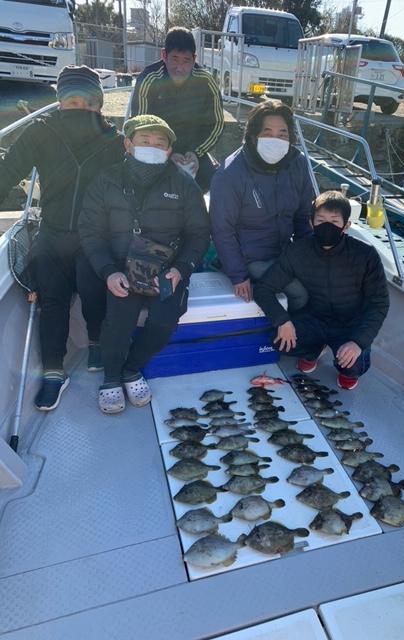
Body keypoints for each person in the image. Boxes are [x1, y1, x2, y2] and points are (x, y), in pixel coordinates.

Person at [0, 65, 125, 411]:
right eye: (72, 101)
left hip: (95, 235)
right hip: (52, 230)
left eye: (88, 102)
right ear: (59, 102)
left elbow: (136, 185)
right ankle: (54, 370)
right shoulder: (40, 131)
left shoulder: (115, 140)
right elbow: (7, 174)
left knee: (92, 283)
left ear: (99, 104)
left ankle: (97, 340)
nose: (80, 108)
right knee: (52, 298)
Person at [78, 115, 210, 414]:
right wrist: (108, 272)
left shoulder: (184, 183)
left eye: (160, 143)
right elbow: (90, 231)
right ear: (128, 144)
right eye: (144, 141)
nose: (152, 146)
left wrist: (181, 268)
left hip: (167, 270)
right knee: (118, 322)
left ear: (169, 150)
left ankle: (132, 369)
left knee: (164, 320)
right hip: (121, 267)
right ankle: (111, 377)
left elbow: (199, 233)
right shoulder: (105, 180)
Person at [253, 191, 390, 390]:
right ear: (311, 223)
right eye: (320, 220)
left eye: (334, 221)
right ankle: (314, 350)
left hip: (350, 323)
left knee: (354, 365)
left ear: (346, 226)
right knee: (279, 341)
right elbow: (264, 289)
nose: (327, 226)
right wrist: (282, 320)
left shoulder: (365, 254)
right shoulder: (297, 251)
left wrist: (358, 342)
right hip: (315, 317)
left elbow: (379, 303)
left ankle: (348, 368)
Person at [210, 99, 313, 310]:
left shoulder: (298, 164)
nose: (275, 139)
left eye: (282, 134)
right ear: (252, 136)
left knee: (324, 283)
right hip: (249, 258)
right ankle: (290, 330)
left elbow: (303, 218)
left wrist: (314, 258)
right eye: (267, 133)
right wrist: (238, 275)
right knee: (300, 293)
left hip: (284, 252)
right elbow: (222, 229)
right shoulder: (231, 173)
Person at [131, 26, 224, 192]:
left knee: (217, 182)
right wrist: (165, 153)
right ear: (164, 55)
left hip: (194, 150)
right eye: (174, 59)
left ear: (194, 59)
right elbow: (139, 125)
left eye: (186, 61)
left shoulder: (206, 81)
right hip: (157, 148)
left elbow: (217, 124)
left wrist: (196, 153)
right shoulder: (149, 80)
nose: (180, 68)